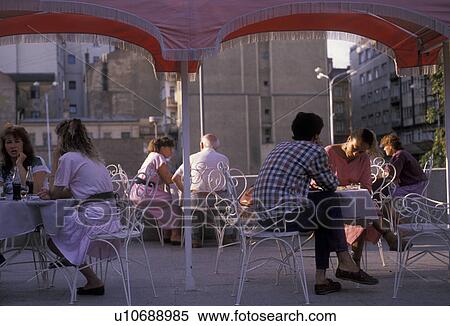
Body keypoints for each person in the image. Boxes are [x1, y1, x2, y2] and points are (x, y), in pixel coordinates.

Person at [253, 112, 378, 295]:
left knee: (324, 216)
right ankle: (344, 262)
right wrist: (317, 151)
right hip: (285, 218)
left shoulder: (280, 146)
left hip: (263, 217)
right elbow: (330, 184)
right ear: (317, 135)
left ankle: (324, 279)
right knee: (330, 203)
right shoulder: (314, 151)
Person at [38, 119, 121, 295]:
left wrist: (54, 159)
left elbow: (55, 192)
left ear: (62, 139)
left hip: (94, 218)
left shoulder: (68, 158)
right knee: (63, 231)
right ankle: (72, 256)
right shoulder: (93, 158)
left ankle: (92, 279)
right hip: (111, 218)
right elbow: (81, 191)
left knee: (53, 239)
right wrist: (55, 193)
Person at [325, 128, 378, 266]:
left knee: (365, 215)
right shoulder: (329, 152)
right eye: (355, 148)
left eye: (361, 151)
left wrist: (353, 189)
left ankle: (353, 263)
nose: (356, 154)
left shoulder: (364, 158)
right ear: (349, 139)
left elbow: (367, 187)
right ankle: (354, 264)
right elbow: (317, 183)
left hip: (352, 203)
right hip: (330, 205)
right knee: (367, 216)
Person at [172, 134, 231, 248]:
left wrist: (186, 192)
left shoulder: (192, 157)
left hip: (196, 198)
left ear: (201, 145)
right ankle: (225, 237)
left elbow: (175, 178)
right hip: (217, 198)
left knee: (194, 212)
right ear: (216, 147)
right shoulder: (224, 158)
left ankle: (195, 240)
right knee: (226, 206)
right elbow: (226, 179)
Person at [130, 137, 183, 244]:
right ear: (163, 148)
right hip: (145, 193)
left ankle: (167, 234)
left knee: (166, 204)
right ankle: (175, 235)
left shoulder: (151, 156)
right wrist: (181, 182)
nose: (172, 151)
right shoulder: (158, 157)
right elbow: (168, 178)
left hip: (137, 191)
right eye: (170, 148)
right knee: (175, 202)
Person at [0, 123, 50, 196]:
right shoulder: (2, 167)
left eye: (17, 141)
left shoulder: (36, 161)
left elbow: (36, 190)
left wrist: (19, 165)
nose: (13, 146)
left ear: (24, 144)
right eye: (9, 142)